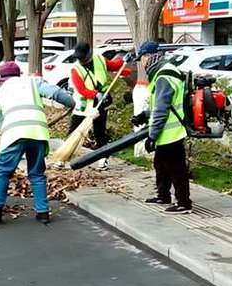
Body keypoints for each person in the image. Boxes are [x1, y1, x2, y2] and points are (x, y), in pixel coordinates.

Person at [0, 62, 75, 224]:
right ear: (18, 75)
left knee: (2, 172)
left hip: (14, 134)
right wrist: (72, 103)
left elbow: (0, 123)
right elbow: (56, 93)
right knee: (37, 173)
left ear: (1, 79)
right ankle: (43, 212)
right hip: (38, 133)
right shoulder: (32, 82)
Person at [132, 41, 192, 214]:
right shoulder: (163, 72)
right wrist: (144, 115)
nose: (142, 64)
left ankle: (183, 203)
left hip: (171, 133)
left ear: (148, 57)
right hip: (166, 132)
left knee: (176, 169)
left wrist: (152, 136)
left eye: (142, 59)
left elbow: (161, 109)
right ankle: (163, 195)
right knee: (160, 164)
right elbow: (158, 104)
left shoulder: (164, 75)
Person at [69, 42, 131, 170]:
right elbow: (81, 89)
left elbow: (113, 66)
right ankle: (64, 157)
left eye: (83, 57)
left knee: (99, 132)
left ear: (89, 54)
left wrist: (123, 61)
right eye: (79, 58)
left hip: (100, 102)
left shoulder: (100, 60)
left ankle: (103, 159)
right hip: (84, 105)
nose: (81, 60)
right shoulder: (76, 69)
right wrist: (95, 94)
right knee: (74, 131)